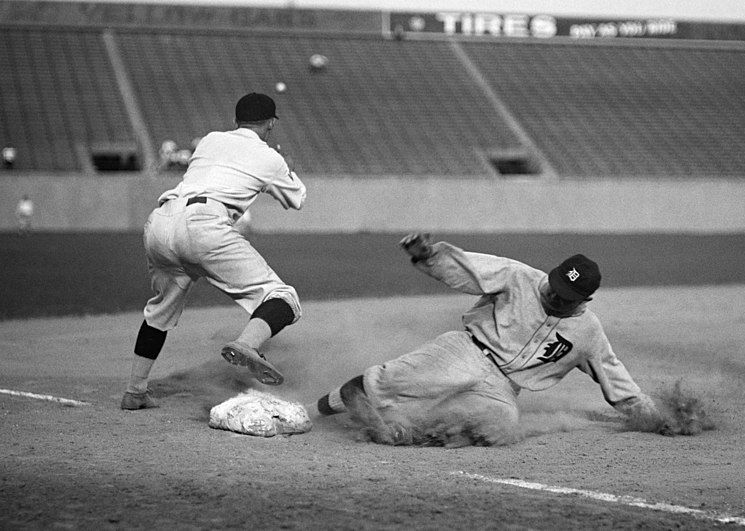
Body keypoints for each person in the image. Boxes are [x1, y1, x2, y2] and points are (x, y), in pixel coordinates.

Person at [313, 233, 669, 446]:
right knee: (423, 378)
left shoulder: (588, 332)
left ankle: (407, 433)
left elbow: (616, 378)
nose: (556, 296)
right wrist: (430, 255)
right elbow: (468, 268)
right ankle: (338, 399)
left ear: (585, 300)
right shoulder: (519, 277)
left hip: (503, 389)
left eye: (567, 297)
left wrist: (657, 418)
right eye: (556, 286)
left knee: (499, 425)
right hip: (469, 351)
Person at [122, 93, 307, 410]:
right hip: (205, 226)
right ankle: (248, 345)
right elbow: (296, 199)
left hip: (161, 222)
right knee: (283, 298)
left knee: (160, 311)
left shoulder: (210, 140)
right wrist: (286, 167)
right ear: (271, 123)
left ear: (236, 121)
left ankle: (135, 391)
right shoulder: (269, 157)